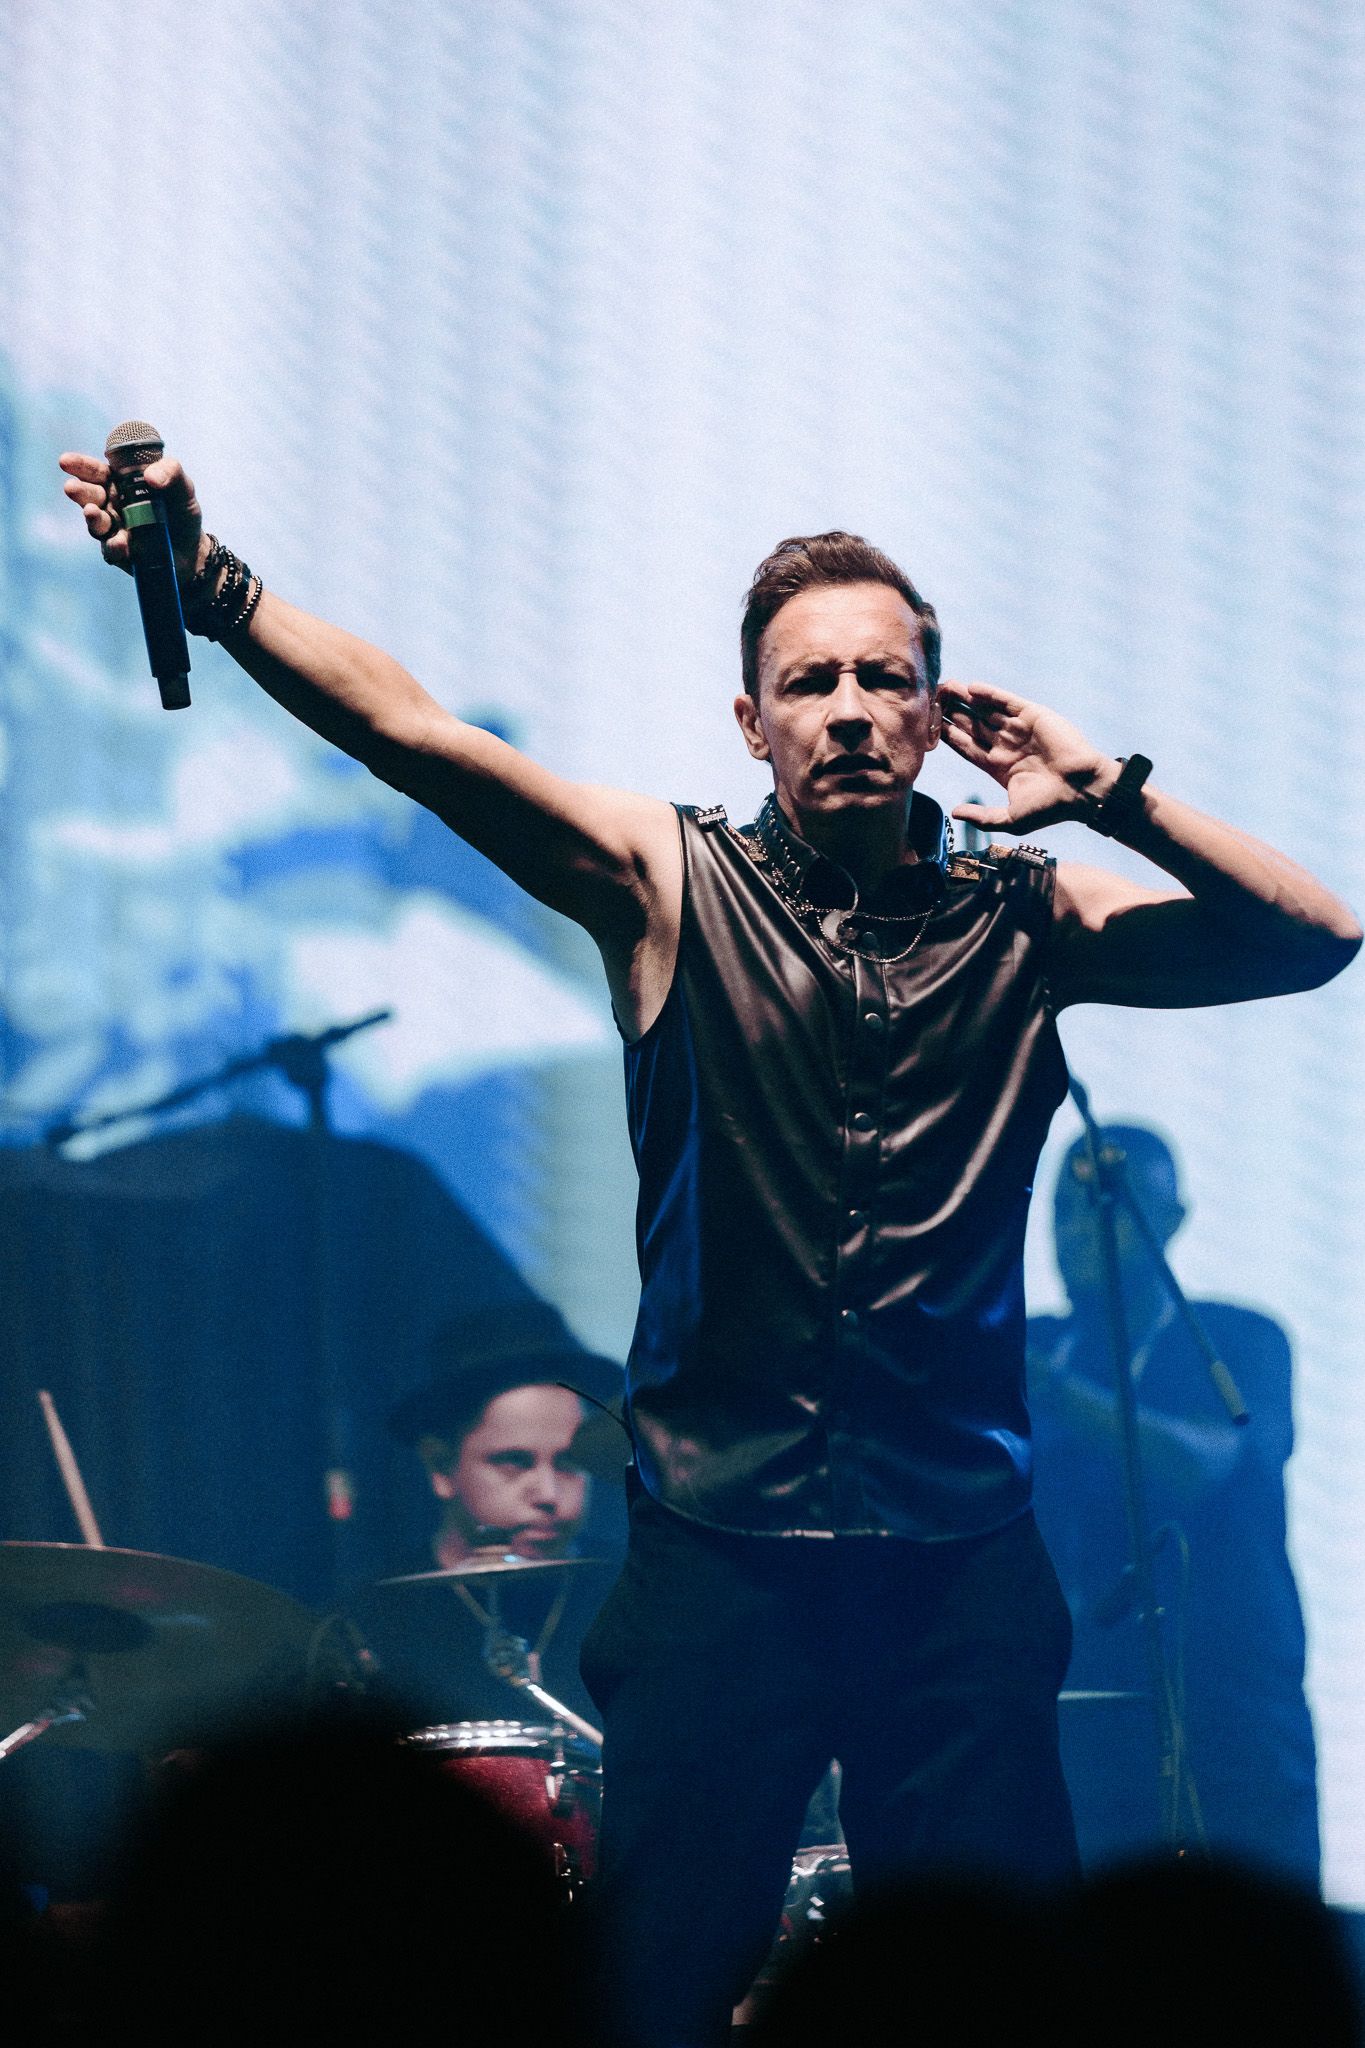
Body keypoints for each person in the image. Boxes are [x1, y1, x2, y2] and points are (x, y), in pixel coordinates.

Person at [60, 449, 1360, 2046]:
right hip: (718, 1558)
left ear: (940, 712)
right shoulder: (664, 876)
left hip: (956, 1561)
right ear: (751, 721)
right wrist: (218, 586)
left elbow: (1314, 940)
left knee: (998, 1998)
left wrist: (1111, 790)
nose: (851, 709)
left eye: (889, 679)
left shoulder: (1031, 916)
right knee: (653, 1990)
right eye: (809, 682)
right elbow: (412, 732)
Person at [1028, 1127, 1320, 1884]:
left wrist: (1058, 1396)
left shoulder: (1234, 1339)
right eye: (1060, 1208)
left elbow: (1206, 1465)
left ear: (1174, 1219)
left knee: (1258, 1960)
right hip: (1082, 1718)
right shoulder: (1036, 1346)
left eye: (1104, 1206)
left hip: (1230, 1711)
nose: (1074, 1230)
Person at [348, 1301, 625, 1729]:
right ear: (441, 1467)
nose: (548, 1494)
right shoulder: (369, 1626)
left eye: (569, 1463)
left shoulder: (635, 1596)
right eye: (514, 1462)